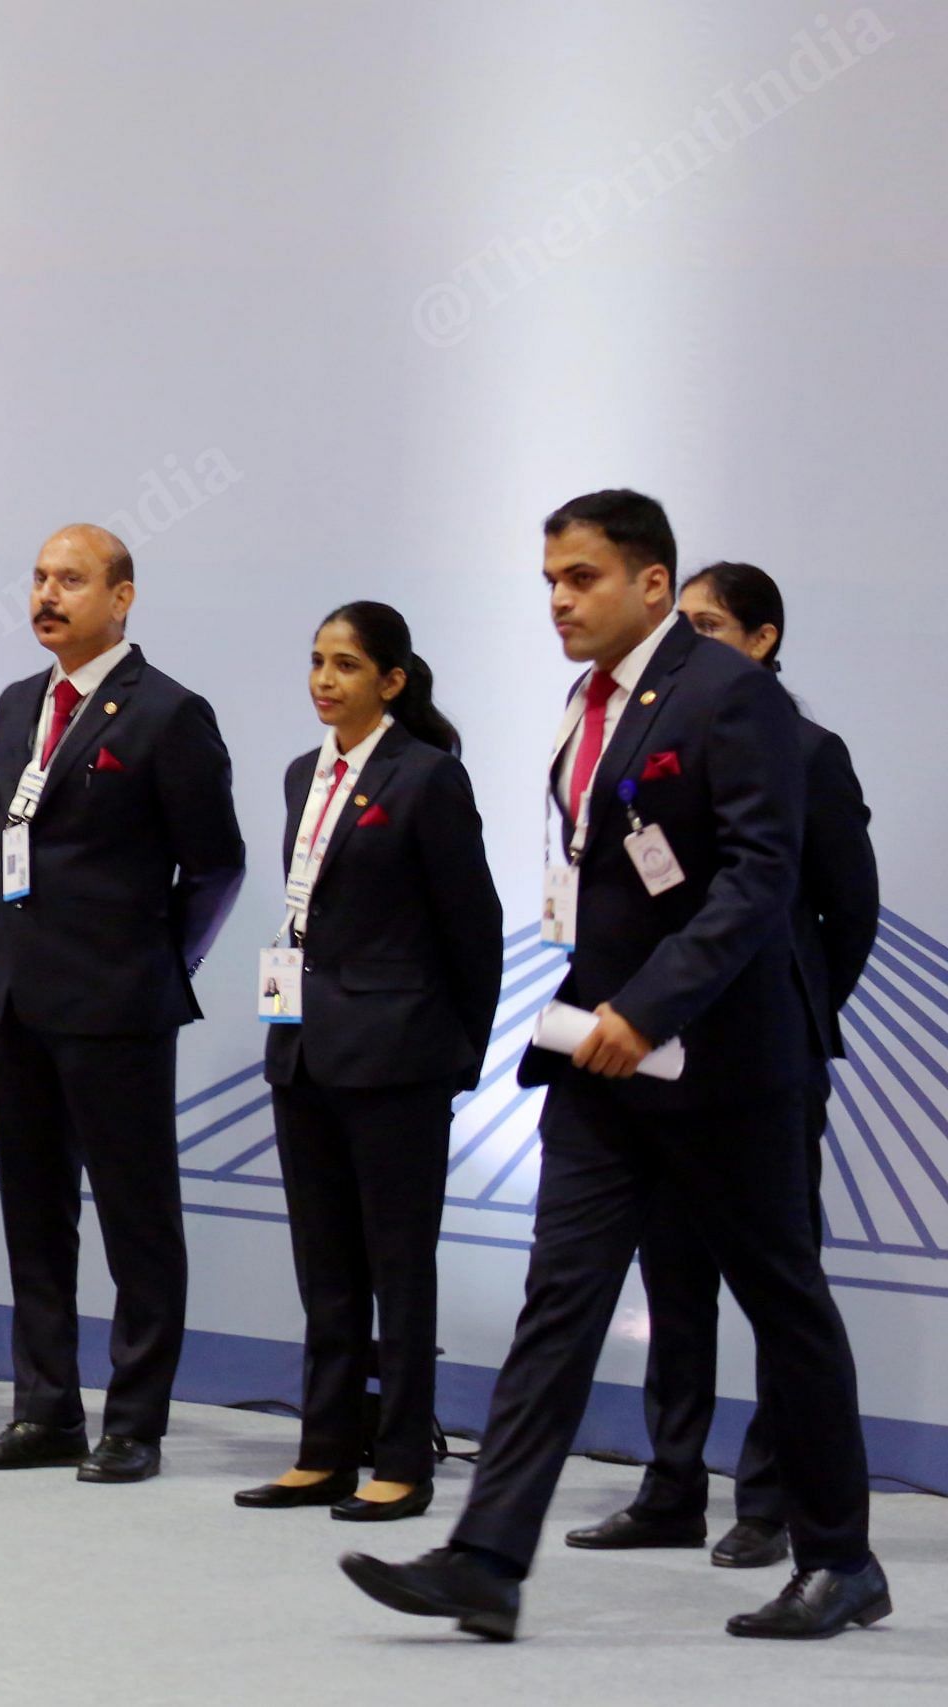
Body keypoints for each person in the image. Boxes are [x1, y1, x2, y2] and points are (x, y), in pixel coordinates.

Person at [341, 490, 887, 1642]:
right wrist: (612, 1017)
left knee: (784, 1306)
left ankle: (840, 1560)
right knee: (561, 1299)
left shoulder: (728, 692)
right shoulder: (592, 702)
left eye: (579, 578)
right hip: (602, 1062)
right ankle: (487, 1558)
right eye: (547, 580)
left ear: (650, 582)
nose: (556, 600)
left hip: (723, 1068)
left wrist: (648, 1009)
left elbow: (757, 879)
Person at [568, 562, 878, 1569]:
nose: (687, 644)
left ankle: (769, 1499)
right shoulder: (644, 745)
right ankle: (670, 1485)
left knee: (778, 1287)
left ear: (763, 639)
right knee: (673, 1278)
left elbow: (848, 912)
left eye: (707, 625)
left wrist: (794, 1020)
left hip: (760, 1062)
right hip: (657, 1060)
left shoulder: (810, 752)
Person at [0, 525, 245, 1481]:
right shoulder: (13, 705)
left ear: (122, 598)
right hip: (21, 1002)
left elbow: (216, 864)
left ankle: (135, 1420)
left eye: (71, 580)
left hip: (119, 1003)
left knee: (136, 1217)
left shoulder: (167, 712)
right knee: (34, 1216)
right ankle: (46, 1409)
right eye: (39, 578)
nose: (48, 595)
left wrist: (159, 961)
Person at [232, 603, 500, 1519]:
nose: (323, 679)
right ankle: (324, 1448)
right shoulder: (302, 773)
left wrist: (461, 1053)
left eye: (345, 664)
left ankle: (403, 1460)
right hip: (303, 1048)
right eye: (315, 661)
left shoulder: (427, 779)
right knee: (325, 1266)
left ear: (391, 680)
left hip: (398, 1056)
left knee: (399, 1265)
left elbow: (475, 926)